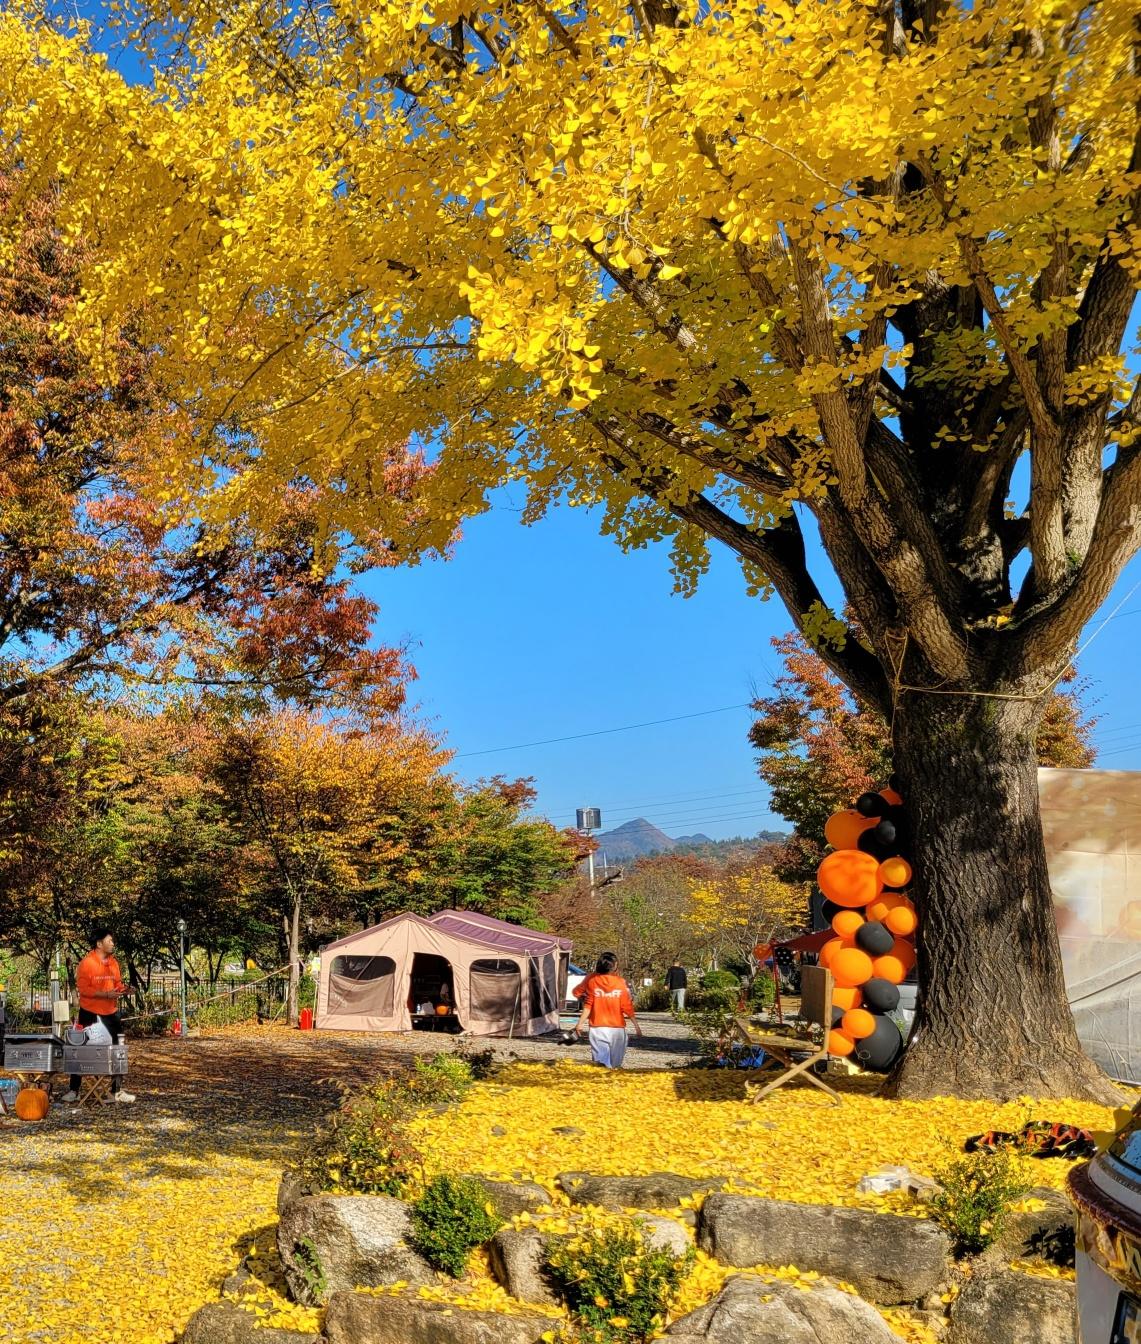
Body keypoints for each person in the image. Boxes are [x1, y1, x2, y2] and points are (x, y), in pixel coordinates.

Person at [61, 925, 136, 1104]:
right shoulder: (86, 963)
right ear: (99, 944)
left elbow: (116, 984)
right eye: (110, 941)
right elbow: (84, 989)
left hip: (111, 1013)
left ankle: (117, 1090)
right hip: (89, 1012)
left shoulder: (114, 962)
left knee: (118, 1050)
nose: (113, 944)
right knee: (79, 1049)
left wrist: (125, 990)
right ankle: (74, 1090)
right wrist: (105, 994)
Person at [574, 951, 641, 1069]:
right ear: (614, 966)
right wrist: (636, 1026)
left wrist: (579, 1024)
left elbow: (588, 1005)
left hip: (597, 1027)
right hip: (617, 1028)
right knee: (616, 1065)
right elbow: (627, 1006)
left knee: (601, 1064)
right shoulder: (620, 982)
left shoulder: (592, 981)